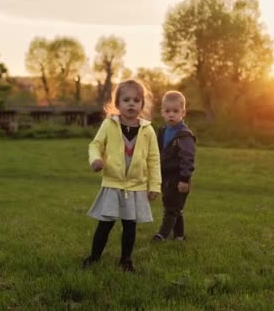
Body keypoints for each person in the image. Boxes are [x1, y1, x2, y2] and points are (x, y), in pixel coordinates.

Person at [83, 80, 161, 272]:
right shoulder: (109, 125)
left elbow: (154, 159)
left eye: (136, 100)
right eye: (126, 100)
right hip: (113, 183)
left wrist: (154, 186)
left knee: (130, 225)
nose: (131, 104)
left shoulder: (147, 130)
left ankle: (126, 261)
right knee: (105, 224)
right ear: (117, 104)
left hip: (135, 186)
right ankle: (94, 257)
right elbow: (95, 145)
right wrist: (95, 160)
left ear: (143, 105)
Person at [153, 91, 196, 242]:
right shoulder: (162, 132)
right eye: (167, 111)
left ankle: (162, 235)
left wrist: (185, 178)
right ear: (162, 113)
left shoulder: (184, 135)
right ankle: (179, 236)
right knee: (174, 206)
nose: (171, 114)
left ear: (183, 113)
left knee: (172, 208)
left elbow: (188, 158)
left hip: (179, 177)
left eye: (175, 111)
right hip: (166, 176)